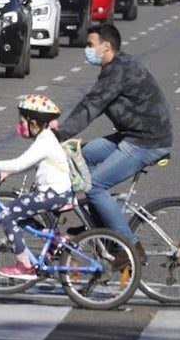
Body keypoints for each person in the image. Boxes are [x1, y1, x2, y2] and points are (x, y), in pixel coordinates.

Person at [55, 23, 171, 255]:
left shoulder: (118, 72)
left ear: (105, 46)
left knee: (95, 185)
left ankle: (128, 247)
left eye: (90, 45)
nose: (86, 49)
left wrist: (60, 133)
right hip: (133, 134)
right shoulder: (120, 64)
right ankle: (100, 228)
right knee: (81, 155)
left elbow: (91, 105)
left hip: (146, 141)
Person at [0, 94, 74, 280]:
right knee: (19, 213)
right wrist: (3, 174)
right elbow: (26, 163)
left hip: (53, 194)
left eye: (22, 121)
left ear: (33, 122)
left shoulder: (45, 141)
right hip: (57, 192)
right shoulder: (45, 138)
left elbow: (19, 164)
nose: (20, 125)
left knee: (7, 214)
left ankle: (24, 266)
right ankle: (56, 242)